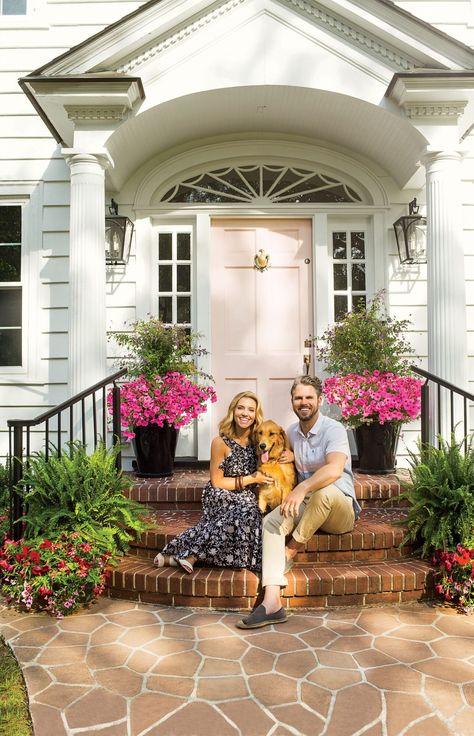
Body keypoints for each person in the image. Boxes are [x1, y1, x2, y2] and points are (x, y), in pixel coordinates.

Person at [237, 375, 361, 628]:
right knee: (272, 522)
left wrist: (302, 487)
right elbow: (281, 450)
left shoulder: (333, 429)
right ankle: (272, 601)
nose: (303, 402)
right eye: (298, 398)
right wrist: (289, 454)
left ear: (320, 400)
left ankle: (290, 550)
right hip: (308, 507)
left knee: (323, 492)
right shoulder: (291, 432)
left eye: (309, 397)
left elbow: (335, 469)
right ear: (292, 401)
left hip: (339, 509)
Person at [154, 391, 274, 574]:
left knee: (247, 509)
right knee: (248, 509)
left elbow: (279, 450)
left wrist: (289, 454)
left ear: (256, 414)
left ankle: (177, 557)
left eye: (251, 410)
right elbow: (217, 481)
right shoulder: (220, 442)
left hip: (245, 496)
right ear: (233, 411)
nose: (245, 413)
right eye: (240, 408)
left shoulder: (258, 440)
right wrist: (252, 479)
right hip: (220, 493)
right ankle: (191, 556)